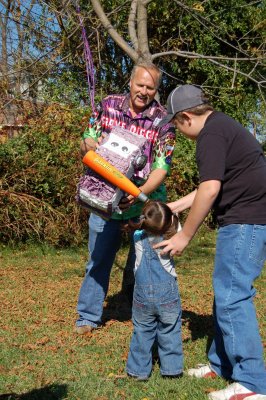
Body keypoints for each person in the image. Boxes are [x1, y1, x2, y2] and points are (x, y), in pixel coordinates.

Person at [154, 84, 266, 400]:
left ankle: (253, 384)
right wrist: (174, 207)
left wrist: (184, 235)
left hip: (246, 222)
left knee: (233, 295)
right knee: (226, 293)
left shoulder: (211, 136)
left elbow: (210, 190)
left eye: (175, 123)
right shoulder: (221, 127)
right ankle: (223, 364)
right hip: (249, 219)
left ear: (186, 117)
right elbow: (211, 184)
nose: (176, 129)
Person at [75, 61, 176, 334]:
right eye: (140, 85)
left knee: (142, 262)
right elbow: (87, 138)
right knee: (99, 258)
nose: (144, 91)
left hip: (143, 204)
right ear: (131, 83)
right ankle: (88, 316)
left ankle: (136, 309)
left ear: (156, 91)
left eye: (150, 88)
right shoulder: (108, 105)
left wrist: (139, 193)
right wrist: (90, 146)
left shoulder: (163, 120)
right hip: (104, 200)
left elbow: (161, 166)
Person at [125, 200, 183, 380]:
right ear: (168, 222)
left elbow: (145, 226)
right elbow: (178, 231)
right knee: (170, 330)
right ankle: (172, 370)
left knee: (142, 331)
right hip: (167, 295)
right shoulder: (172, 239)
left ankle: (138, 371)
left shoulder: (137, 237)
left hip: (142, 294)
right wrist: (175, 219)